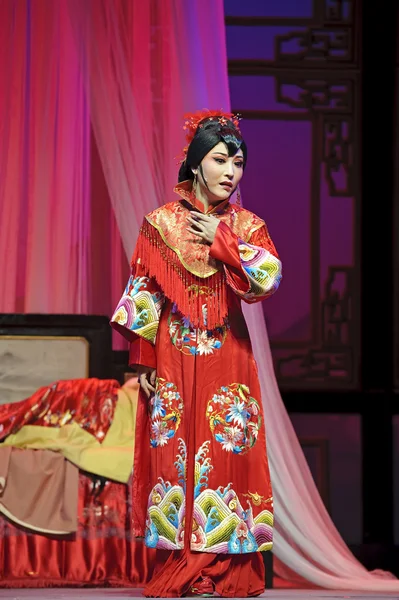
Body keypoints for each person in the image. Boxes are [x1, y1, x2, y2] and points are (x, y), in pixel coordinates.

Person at [111, 109, 282, 598]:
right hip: (171, 354)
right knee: (174, 456)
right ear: (195, 164)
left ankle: (219, 568)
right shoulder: (160, 223)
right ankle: (183, 563)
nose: (231, 171)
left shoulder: (247, 225)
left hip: (229, 355)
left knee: (225, 454)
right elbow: (143, 293)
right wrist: (141, 360)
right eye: (221, 159)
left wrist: (225, 244)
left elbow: (267, 281)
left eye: (238, 162)